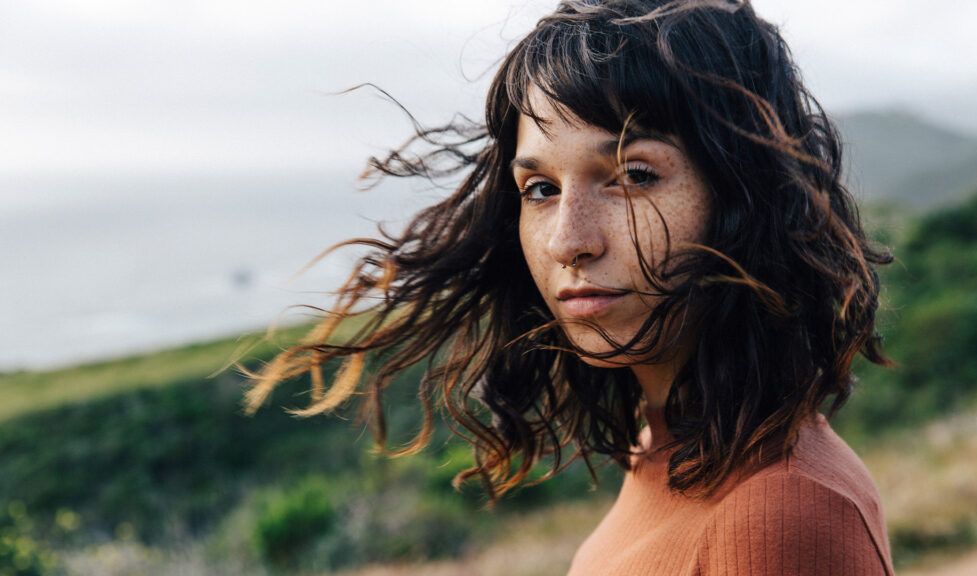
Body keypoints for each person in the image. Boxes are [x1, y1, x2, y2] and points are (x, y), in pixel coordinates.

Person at [241, 0, 897, 573]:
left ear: (743, 195)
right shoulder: (674, 446)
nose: (567, 241)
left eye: (634, 175)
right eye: (542, 189)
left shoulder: (781, 514)